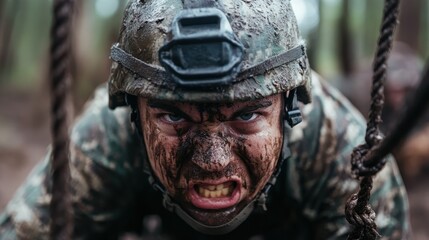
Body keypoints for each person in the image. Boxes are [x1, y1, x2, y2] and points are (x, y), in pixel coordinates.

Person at [0, 0, 410, 239]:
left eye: (247, 115)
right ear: (133, 115)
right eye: (173, 117)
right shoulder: (103, 143)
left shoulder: (339, 153)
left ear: (289, 108)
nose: (213, 161)